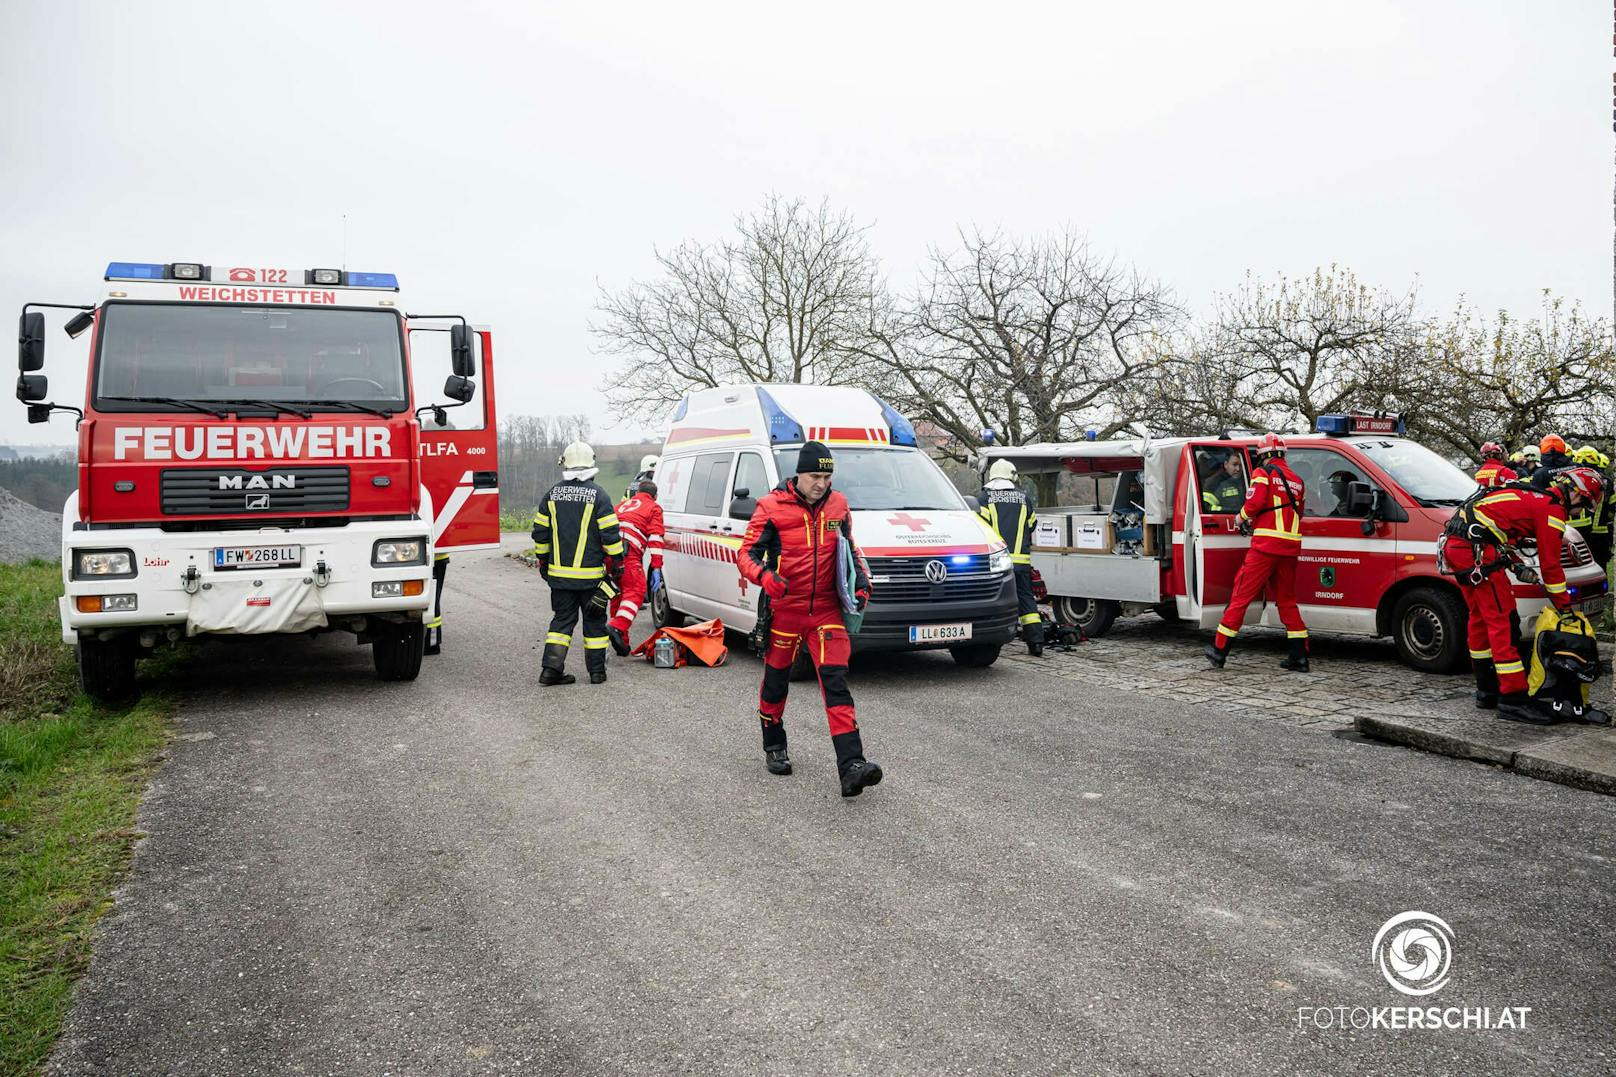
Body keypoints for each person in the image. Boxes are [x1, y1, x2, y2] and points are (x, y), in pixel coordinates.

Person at [738, 440, 882, 797]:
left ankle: (851, 767)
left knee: (836, 683)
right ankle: (774, 744)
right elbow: (746, 554)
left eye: (827, 475)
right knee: (776, 681)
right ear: (799, 474)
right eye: (815, 476)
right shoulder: (770, 507)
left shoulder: (839, 505)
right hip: (785, 610)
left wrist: (862, 583)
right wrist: (765, 577)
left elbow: (850, 550)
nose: (822, 483)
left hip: (827, 612)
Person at [1442, 467, 1603, 722]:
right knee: (1504, 622)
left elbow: (1497, 529)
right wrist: (1564, 608)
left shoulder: (1532, 497)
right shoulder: (1552, 510)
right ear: (1575, 494)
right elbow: (1551, 567)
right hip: (1477, 551)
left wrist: (1514, 563)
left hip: (1462, 547)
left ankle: (1487, 690)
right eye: (1583, 505)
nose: (1580, 512)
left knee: (1481, 619)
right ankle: (1513, 698)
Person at [1205, 433, 1310, 672]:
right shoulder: (1298, 480)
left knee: (1240, 595)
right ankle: (1300, 656)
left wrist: (1240, 518)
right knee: (1287, 600)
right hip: (1290, 547)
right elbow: (1299, 513)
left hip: (1265, 547)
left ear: (1265, 456)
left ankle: (1219, 650)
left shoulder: (1263, 474)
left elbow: (1253, 504)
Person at [532, 441, 624, 686]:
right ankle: (597, 674)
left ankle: (550, 671)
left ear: (565, 462)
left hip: (560, 578)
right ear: (591, 462)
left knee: (561, 622)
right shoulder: (600, 495)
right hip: (592, 579)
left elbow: (540, 534)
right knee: (594, 623)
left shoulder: (551, 495)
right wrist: (618, 564)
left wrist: (544, 562)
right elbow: (611, 536)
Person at [978, 459, 1043, 655]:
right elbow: (1032, 524)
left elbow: (980, 527)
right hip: (1021, 561)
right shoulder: (1024, 498)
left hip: (995, 563)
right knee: (1026, 600)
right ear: (1011, 475)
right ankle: (1036, 643)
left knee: (991, 599)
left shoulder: (984, 498)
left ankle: (988, 642)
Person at [606, 480, 665, 655]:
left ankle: (622, 643)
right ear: (655, 496)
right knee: (636, 591)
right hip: (629, 556)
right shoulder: (654, 508)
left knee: (619, 595)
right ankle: (617, 627)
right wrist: (656, 567)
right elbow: (655, 539)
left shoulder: (621, 505)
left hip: (610, 555)